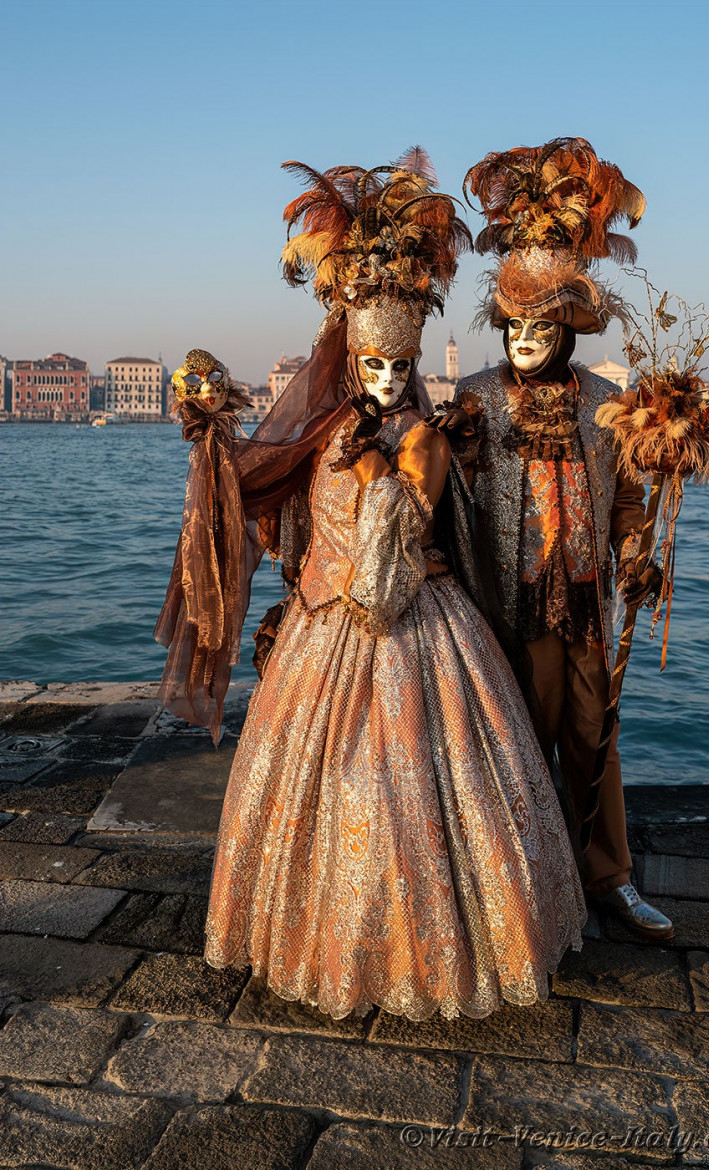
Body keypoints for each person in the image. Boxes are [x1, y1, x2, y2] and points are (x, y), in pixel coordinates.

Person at [155, 151, 586, 1022]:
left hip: (410, 626)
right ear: (352, 362)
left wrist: (384, 462)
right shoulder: (320, 435)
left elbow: (394, 562)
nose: (390, 382)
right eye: (374, 368)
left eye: (401, 368)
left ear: (413, 362)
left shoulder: (422, 442)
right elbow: (251, 481)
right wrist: (209, 433)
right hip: (324, 624)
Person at [437, 138, 673, 940]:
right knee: (520, 743)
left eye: (542, 326)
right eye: (514, 327)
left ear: (567, 327)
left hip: (586, 601)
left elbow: (627, 500)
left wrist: (639, 556)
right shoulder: (472, 399)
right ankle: (529, 889)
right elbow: (443, 496)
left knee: (594, 735)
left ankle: (609, 876)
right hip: (509, 604)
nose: (525, 340)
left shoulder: (607, 404)